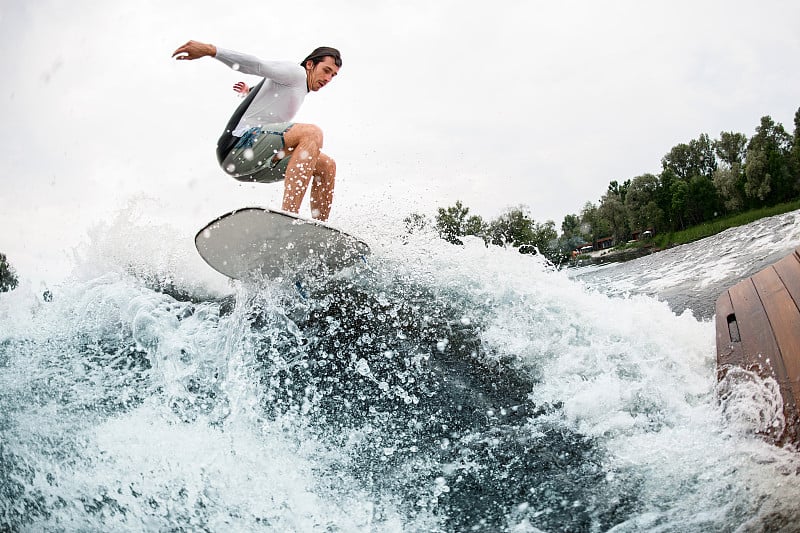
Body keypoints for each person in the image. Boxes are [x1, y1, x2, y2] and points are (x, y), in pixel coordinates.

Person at [172, 40, 341, 221]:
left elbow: (267, 102)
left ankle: (319, 229)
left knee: (326, 165)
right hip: (237, 147)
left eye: (333, 75)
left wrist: (249, 91)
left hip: (256, 165)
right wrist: (211, 50)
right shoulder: (297, 73)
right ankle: (288, 217)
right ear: (310, 64)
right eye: (326, 70)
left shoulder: (298, 88)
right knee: (312, 133)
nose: (328, 79)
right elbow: (257, 65)